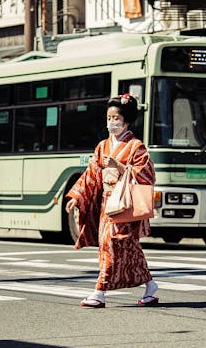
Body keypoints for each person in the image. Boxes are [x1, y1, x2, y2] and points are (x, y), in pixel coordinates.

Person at [66, 93, 159, 308]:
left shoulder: (137, 147)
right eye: (108, 118)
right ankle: (150, 286)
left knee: (111, 244)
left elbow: (146, 175)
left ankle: (99, 291)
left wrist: (119, 167)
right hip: (106, 203)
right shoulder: (102, 146)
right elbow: (91, 175)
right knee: (127, 247)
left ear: (126, 120)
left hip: (124, 204)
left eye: (116, 118)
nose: (111, 122)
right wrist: (76, 196)